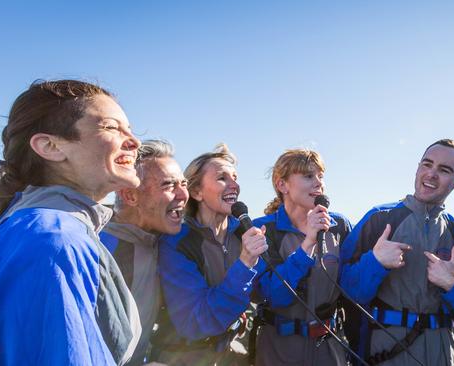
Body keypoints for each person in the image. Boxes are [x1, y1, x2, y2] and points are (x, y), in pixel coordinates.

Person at [0, 79, 142, 365]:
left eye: (130, 130)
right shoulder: (51, 240)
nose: (135, 142)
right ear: (49, 146)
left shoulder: (49, 230)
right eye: (111, 127)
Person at [340, 139, 454, 365]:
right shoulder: (379, 218)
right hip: (384, 351)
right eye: (427, 164)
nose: (431, 174)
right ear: (417, 168)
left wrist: (453, 285)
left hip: (442, 353)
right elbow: (346, 292)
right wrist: (376, 262)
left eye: (444, 170)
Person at [151, 144, 268, 366]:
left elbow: (267, 291)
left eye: (235, 177)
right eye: (222, 178)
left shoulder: (242, 234)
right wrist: (244, 264)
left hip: (231, 353)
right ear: (196, 192)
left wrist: (308, 245)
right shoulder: (176, 241)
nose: (235, 185)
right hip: (184, 357)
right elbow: (195, 322)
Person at [251, 149, 352, 365]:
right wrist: (308, 244)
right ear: (282, 185)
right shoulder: (262, 229)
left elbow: (352, 287)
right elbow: (275, 295)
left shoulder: (339, 226)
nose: (318, 183)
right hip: (278, 351)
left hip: (329, 350)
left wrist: (377, 262)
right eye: (308, 176)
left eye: (320, 176)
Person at [99, 139, 188, 365]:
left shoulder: (161, 239)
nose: (183, 195)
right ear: (130, 196)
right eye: (169, 185)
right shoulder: (101, 250)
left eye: (184, 184)